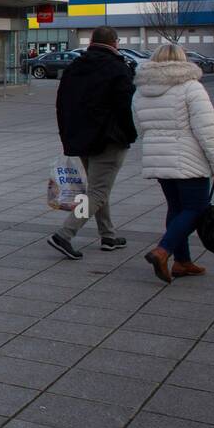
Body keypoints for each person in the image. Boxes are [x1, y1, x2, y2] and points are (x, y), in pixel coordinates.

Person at [131, 43, 214, 283]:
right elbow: (207, 131)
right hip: (189, 159)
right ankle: (163, 251)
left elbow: (141, 127)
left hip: (159, 159)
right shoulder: (191, 88)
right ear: (183, 60)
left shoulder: (141, 91)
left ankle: (182, 262)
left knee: (176, 209)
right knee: (196, 209)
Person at [48, 26, 138, 260]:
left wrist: (67, 135)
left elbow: (62, 104)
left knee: (98, 189)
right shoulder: (118, 68)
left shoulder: (76, 67)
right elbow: (124, 108)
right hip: (109, 139)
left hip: (81, 138)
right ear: (115, 43)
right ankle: (64, 234)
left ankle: (108, 235)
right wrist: (129, 134)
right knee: (98, 191)